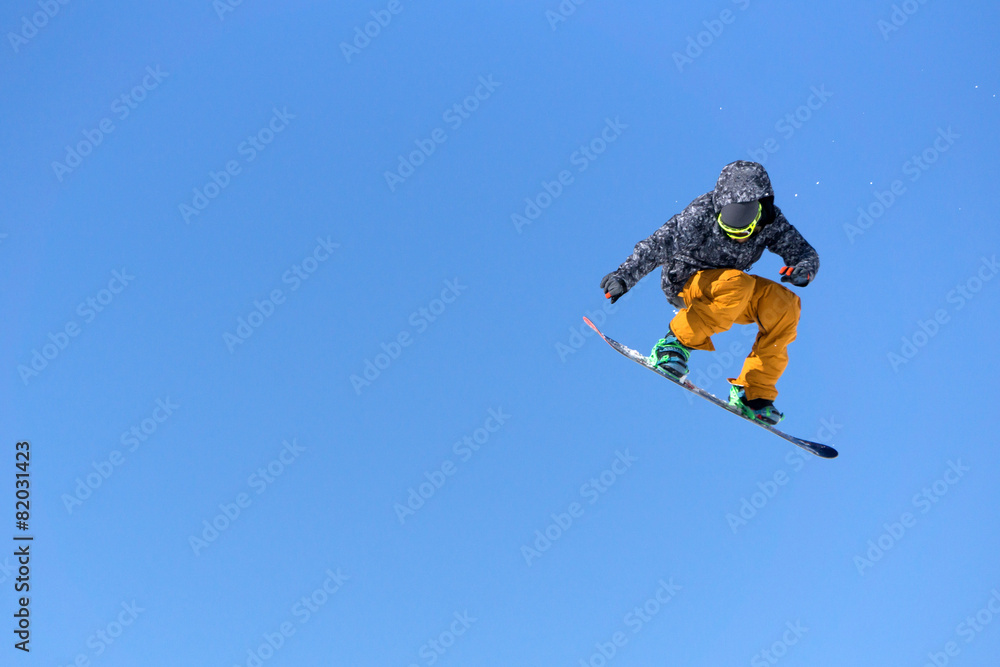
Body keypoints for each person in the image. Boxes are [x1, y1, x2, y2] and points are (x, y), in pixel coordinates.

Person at [600, 160, 819, 425]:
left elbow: (803, 251)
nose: (738, 233)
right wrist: (625, 275)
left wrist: (803, 268)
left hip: (732, 289)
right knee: (737, 283)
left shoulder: (772, 221)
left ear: (761, 208)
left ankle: (753, 394)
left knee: (785, 305)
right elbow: (660, 243)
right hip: (687, 280)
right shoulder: (701, 212)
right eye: (729, 224)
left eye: (745, 225)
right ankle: (674, 344)